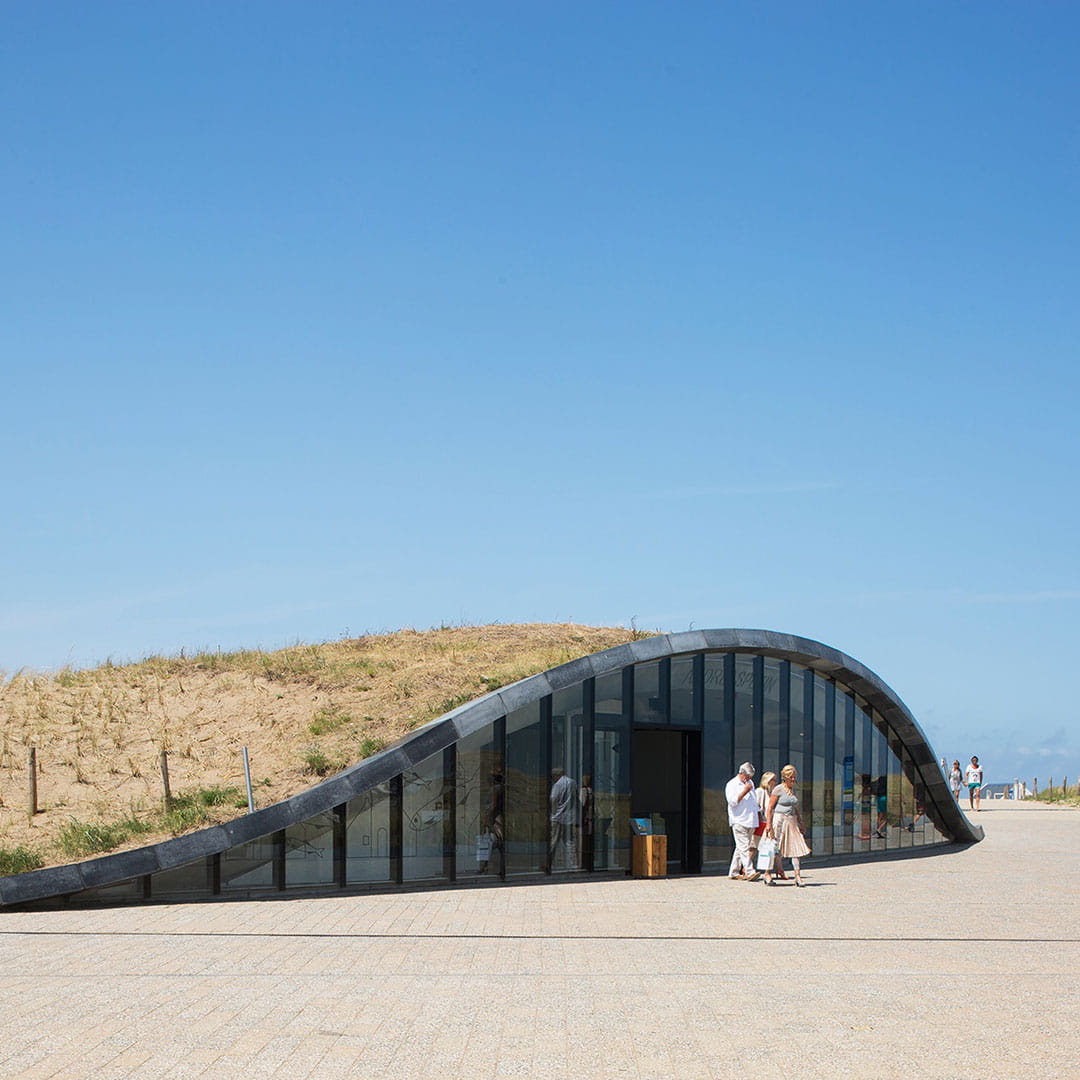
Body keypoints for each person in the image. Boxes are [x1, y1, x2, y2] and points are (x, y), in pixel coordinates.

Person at [765, 764, 811, 887]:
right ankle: (767, 873)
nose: (793, 779)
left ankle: (797, 876)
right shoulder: (778, 789)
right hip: (779, 820)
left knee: (796, 847)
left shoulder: (793, 791)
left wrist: (801, 822)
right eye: (791, 777)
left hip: (791, 820)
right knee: (774, 847)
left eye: (794, 777)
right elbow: (770, 807)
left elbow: (795, 808)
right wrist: (768, 824)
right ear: (785, 777)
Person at [726, 762, 761, 881]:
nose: (749, 779)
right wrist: (745, 791)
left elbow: (753, 801)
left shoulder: (750, 783)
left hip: (750, 820)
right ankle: (750, 871)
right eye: (747, 776)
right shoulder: (732, 784)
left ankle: (734, 872)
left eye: (751, 777)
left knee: (740, 847)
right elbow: (732, 802)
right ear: (741, 773)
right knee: (744, 847)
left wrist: (758, 815)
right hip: (739, 820)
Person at [754, 771, 785, 879]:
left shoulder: (772, 793)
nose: (776, 782)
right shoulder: (760, 792)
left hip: (771, 823)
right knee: (755, 848)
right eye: (773, 780)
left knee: (774, 847)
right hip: (762, 824)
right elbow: (757, 808)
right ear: (767, 781)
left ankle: (779, 869)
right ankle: (746, 869)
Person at [548, 768, 578, 869]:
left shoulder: (557, 785)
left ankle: (549, 863)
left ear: (556, 775)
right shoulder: (573, 782)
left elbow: (553, 799)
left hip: (557, 816)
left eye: (553, 777)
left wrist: (552, 811)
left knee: (553, 841)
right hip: (570, 817)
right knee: (569, 841)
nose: (552, 779)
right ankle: (574, 863)